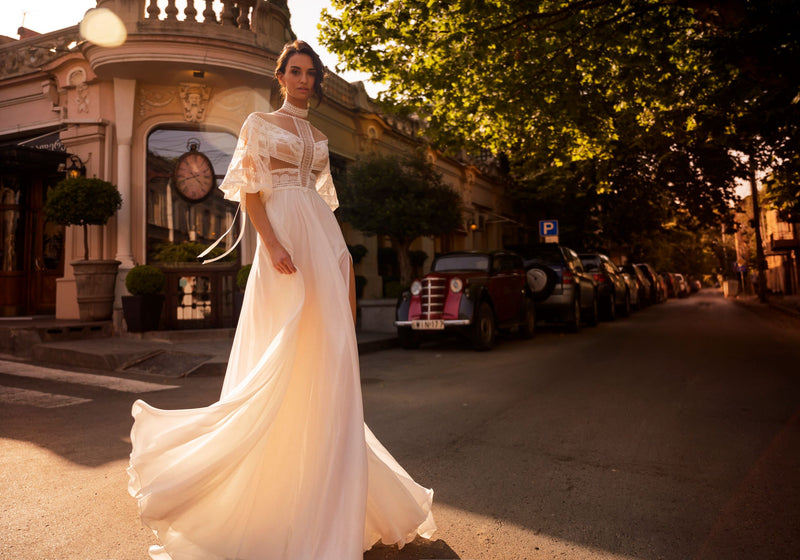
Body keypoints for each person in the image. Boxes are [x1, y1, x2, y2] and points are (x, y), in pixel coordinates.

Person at [127, 40, 436, 560]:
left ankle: (327, 486)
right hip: (284, 246)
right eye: (295, 72)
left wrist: (340, 258)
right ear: (281, 76)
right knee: (281, 351)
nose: (303, 80)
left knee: (327, 359)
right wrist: (271, 245)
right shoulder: (258, 124)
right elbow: (250, 192)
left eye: (310, 74)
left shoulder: (317, 137)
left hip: (321, 241)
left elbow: (321, 200)